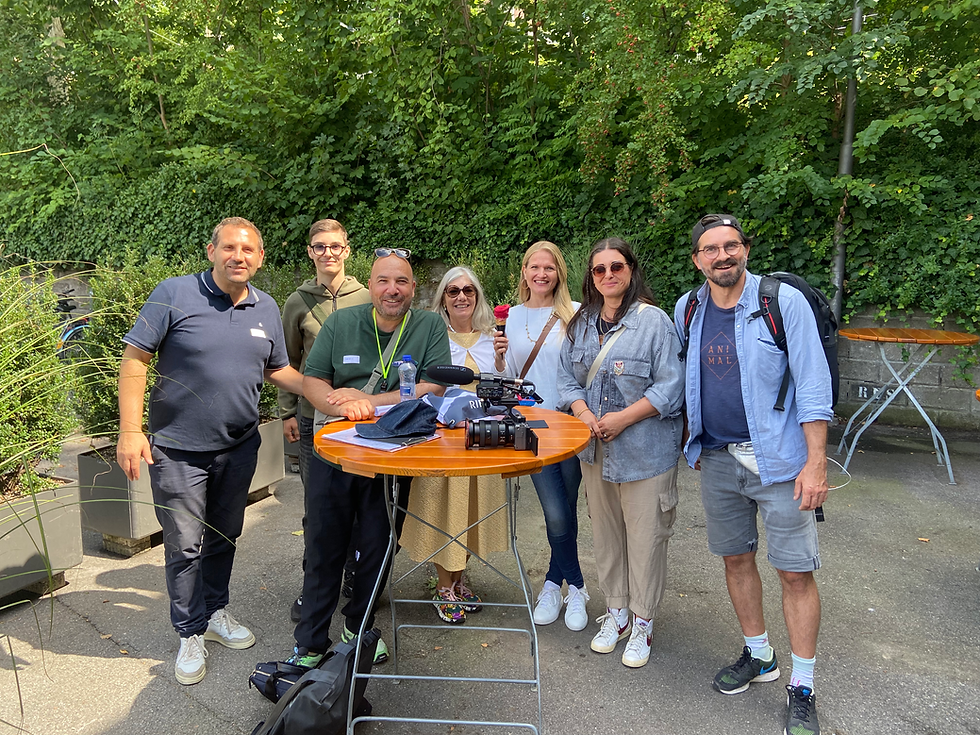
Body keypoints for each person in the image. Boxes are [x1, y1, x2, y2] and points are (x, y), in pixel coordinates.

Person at [116, 217, 305, 686]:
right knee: (184, 544)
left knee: (223, 535)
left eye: (249, 250)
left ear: (261, 258)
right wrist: (129, 430)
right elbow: (135, 360)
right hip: (178, 451)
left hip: (238, 446)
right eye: (229, 248)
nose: (238, 257)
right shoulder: (174, 294)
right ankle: (189, 631)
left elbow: (279, 370)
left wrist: (330, 395)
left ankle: (215, 611)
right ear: (211, 251)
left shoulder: (266, 308)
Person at [673, 214, 831, 735]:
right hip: (717, 458)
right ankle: (760, 655)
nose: (723, 256)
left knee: (794, 572)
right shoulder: (688, 308)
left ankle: (802, 685)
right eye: (711, 249)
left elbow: (812, 383)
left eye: (731, 246)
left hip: (782, 463)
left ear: (745, 249)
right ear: (697, 259)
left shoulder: (781, 304)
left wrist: (815, 462)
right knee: (736, 560)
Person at [286, 248, 452, 669]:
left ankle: (358, 628)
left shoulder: (430, 325)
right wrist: (345, 408)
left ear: (414, 288)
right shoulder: (342, 322)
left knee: (378, 544)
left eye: (401, 282)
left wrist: (369, 401)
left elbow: (434, 387)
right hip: (337, 449)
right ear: (371, 285)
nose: (392, 290)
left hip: (395, 452)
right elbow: (313, 381)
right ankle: (309, 643)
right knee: (325, 542)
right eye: (383, 281)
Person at [556, 237, 684, 669]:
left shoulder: (656, 322)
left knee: (646, 540)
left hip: (646, 454)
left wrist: (622, 418)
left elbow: (670, 386)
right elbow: (566, 379)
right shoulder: (580, 323)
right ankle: (617, 614)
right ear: (590, 278)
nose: (608, 275)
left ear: (631, 270)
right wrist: (583, 411)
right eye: (599, 270)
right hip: (594, 452)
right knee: (608, 539)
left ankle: (644, 622)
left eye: (617, 267)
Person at [400, 266, 509, 623]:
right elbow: (419, 386)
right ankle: (443, 584)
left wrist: (500, 360)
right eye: (452, 291)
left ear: (477, 296)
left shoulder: (491, 337)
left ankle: (460, 579)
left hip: (481, 439)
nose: (461, 296)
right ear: (443, 298)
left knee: (472, 511)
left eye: (468, 290)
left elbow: (504, 388)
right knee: (444, 510)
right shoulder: (432, 337)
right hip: (443, 439)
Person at [492, 241, 590, 632]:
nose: (541, 274)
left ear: (559, 273)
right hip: (531, 424)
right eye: (535, 267)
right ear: (525, 272)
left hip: (570, 423)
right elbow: (507, 378)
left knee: (565, 508)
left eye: (549, 268)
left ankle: (553, 582)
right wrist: (499, 357)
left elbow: (584, 367)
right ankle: (577, 586)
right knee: (555, 510)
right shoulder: (510, 317)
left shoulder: (577, 314)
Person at [278, 219, 371, 623]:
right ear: (310, 252)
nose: (328, 253)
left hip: (361, 417)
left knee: (360, 507)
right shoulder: (297, 302)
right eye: (320, 247)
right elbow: (287, 362)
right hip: (312, 418)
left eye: (335, 246)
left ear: (347, 250)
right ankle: (315, 587)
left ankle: (357, 582)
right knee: (318, 507)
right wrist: (286, 411)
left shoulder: (368, 297)